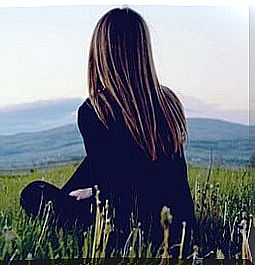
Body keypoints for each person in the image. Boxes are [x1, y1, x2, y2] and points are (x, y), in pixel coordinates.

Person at [20, 7, 196, 258]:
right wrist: (96, 188)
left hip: (130, 228)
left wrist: (93, 193)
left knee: (33, 193)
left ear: (102, 52)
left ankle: (68, 198)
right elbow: (155, 175)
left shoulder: (96, 110)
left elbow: (119, 192)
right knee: (93, 164)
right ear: (142, 50)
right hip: (180, 228)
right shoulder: (168, 101)